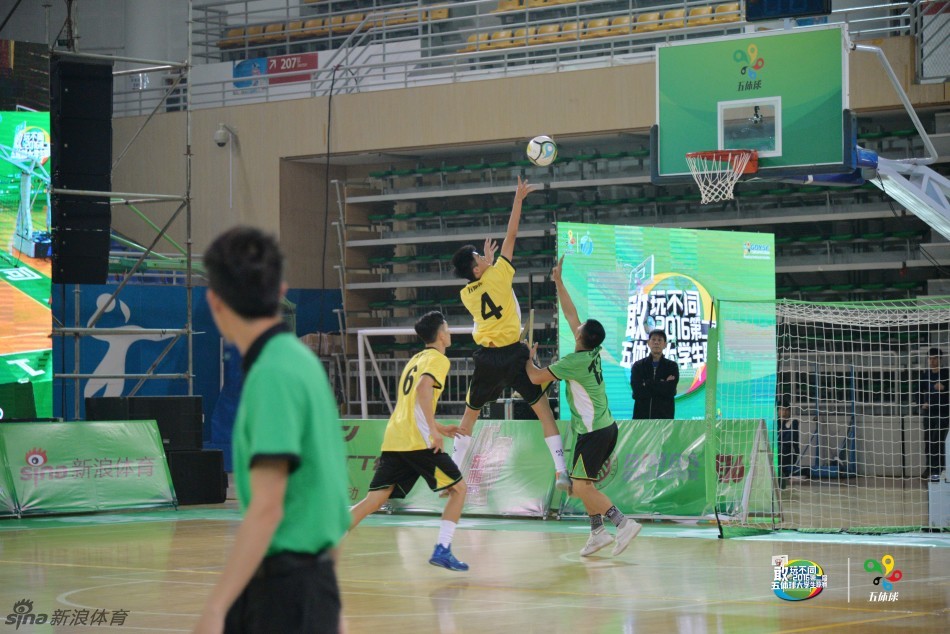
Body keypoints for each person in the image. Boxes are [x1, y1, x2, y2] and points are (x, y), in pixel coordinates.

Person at [194, 227, 350, 634]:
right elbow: (330, 495)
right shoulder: (302, 362)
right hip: (310, 585)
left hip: (283, 593)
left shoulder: (272, 374)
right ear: (281, 290)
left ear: (214, 301)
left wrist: (215, 609)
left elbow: (267, 508)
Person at [449, 176, 570, 491]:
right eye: (479, 257)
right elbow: (512, 234)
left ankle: (451, 475)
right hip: (515, 355)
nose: (483, 256)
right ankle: (561, 472)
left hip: (488, 358)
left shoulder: (466, 294)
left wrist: (486, 265)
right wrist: (518, 199)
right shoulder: (500, 275)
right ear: (478, 268)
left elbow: (482, 280)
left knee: (469, 416)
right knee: (543, 411)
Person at [525, 255, 642, 557]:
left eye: (578, 328)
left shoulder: (574, 362)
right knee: (582, 483)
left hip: (595, 432)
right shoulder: (592, 350)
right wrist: (559, 282)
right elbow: (570, 312)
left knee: (580, 487)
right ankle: (597, 532)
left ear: (581, 336)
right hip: (601, 427)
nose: (575, 326)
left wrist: (526, 357)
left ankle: (623, 524)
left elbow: (536, 377)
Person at [348, 311, 470, 571]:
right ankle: (443, 549)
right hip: (418, 442)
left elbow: (410, 406)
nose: (449, 333)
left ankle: (322, 539)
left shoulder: (415, 359)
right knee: (459, 490)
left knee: (375, 499)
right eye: (447, 329)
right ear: (440, 335)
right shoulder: (438, 359)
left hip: (395, 439)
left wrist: (439, 426)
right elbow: (422, 390)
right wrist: (434, 432)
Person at [630, 329, 679, 419]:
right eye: (653, 339)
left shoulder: (672, 366)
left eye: (660, 340)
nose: (656, 342)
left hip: (664, 418)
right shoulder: (638, 365)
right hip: (641, 418)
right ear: (648, 343)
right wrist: (663, 383)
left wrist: (647, 383)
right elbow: (637, 392)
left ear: (665, 344)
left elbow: (670, 390)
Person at [922, 347, 950, 481]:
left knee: (937, 440)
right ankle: (930, 467)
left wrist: (945, 388)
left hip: (943, 412)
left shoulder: (946, 374)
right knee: (928, 441)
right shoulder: (925, 374)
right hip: (929, 412)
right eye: (930, 358)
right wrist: (921, 403)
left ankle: (940, 468)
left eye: (935, 358)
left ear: (940, 359)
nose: (932, 361)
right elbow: (918, 391)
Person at [777, 400, 801, 489]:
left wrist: (783, 428)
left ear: (790, 411)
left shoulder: (793, 422)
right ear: (778, 411)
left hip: (789, 453)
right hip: (778, 451)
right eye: (782, 410)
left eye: (786, 410)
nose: (784, 412)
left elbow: (790, 439)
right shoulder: (775, 422)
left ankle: (783, 477)